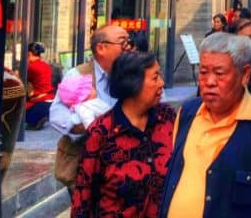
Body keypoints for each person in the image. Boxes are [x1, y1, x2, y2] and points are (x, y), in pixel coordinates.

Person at [159, 33, 251, 217]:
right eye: (204, 72)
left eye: (219, 73)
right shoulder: (186, 113)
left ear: (245, 74)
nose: (210, 82)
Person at [72, 52, 174, 218]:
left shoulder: (167, 117)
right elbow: (83, 196)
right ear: (133, 84)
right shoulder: (102, 133)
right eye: (155, 78)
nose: (161, 83)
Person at [50, 25, 129, 139]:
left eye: (129, 41)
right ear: (101, 48)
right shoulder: (77, 75)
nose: (129, 47)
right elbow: (57, 115)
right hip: (84, 153)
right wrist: (88, 123)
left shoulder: (136, 74)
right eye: (123, 43)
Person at [25, 42, 56, 130]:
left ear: (29, 54)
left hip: (39, 100)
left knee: (19, 112)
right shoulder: (46, 66)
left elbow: (21, 78)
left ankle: (35, 119)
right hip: (50, 99)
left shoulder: (30, 67)